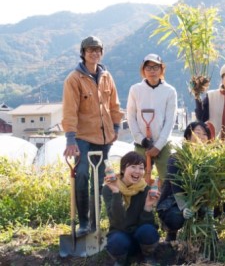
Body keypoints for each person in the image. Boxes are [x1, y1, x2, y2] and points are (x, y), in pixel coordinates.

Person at [62, 35, 123, 236]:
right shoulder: (74, 79)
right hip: (82, 136)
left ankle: (96, 222)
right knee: (82, 176)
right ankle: (83, 223)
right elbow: (70, 110)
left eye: (98, 50)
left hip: (104, 137)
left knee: (98, 179)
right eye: (90, 50)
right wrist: (70, 139)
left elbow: (114, 104)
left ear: (101, 53)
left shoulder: (107, 76)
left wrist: (116, 127)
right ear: (83, 53)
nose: (94, 53)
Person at [157, 121, 212, 242]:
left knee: (211, 210)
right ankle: (171, 232)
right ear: (188, 136)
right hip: (174, 202)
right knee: (176, 217)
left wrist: (209, 205)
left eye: (204, 134)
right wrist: (184, 207)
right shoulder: (176, 158)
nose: (201, 137)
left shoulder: (209, 160)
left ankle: (204, 234)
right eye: (197, 133)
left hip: (198, 201)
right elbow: (176, 186)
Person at [102, 151, 160, 265]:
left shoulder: (146, 190)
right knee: (117, 241)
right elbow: (116, 221)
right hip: (121, 235)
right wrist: (116, 192)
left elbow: (147, 225)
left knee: (148, 231)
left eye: (141, 168)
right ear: (123, 169)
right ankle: (121, 260)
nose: (137, 171)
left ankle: (148, 256)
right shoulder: (109, 189)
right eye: (133, 167)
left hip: (140, 239)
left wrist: (148, 206)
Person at [127, 53, 177, 182]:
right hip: (141, 144)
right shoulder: (135, 90)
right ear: (143, 70)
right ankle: (142, 203)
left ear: (161, 69)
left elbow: (170, 121)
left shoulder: (169, 91)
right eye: (148, 68)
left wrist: (158, 145)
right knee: (138, 182)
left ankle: (163, 202)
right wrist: (142, 140)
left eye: (155, 67)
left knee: (168, 181)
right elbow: (131, 117)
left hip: (163, 144)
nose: (152, 71)